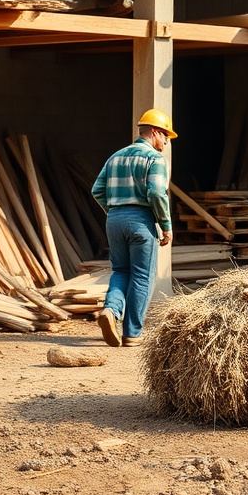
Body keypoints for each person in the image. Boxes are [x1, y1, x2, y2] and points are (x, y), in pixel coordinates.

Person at [92, 108, 177, 348]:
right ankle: (132, 333)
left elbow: (96, 190)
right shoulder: (155, 159)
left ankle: (111, 310)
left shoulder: (115, 156)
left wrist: (115, 211)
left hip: (115, 220)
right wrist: (166, 225)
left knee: (120, 270)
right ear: (155, 132)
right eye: (166, 136)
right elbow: (156, 193)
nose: (166, 142)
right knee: (142, 276)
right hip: (141, 221)